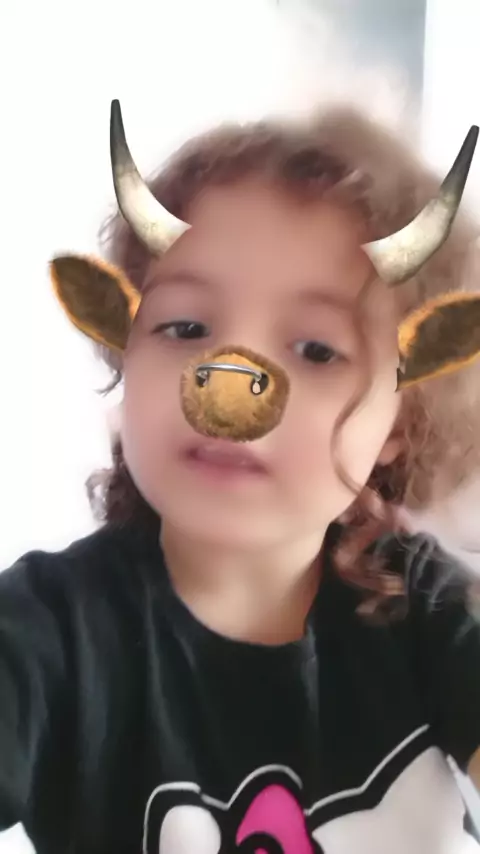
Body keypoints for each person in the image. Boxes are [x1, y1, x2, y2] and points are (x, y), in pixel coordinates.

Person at [2, 99, 480, 854]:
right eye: (186, 328)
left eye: (317, 350)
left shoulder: (429, 610)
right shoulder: (46, 632)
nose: (227, 378)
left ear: (399, 422)